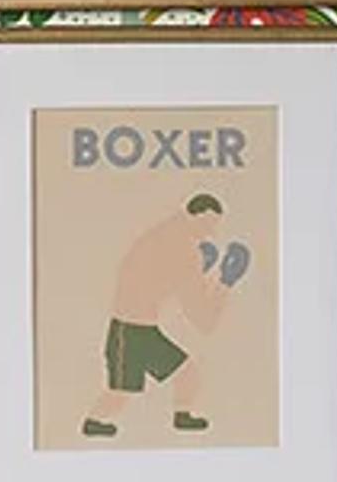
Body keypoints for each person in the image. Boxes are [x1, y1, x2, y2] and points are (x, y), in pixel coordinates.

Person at [85, 188, 248, 438]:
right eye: (208, 224)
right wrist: (225, 281)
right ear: (194, 216)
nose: (211, 232)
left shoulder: (166, 234)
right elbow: (204, 320)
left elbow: (157, 282)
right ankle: (92, 422)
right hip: (128, 333)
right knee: (121, 392)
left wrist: (201, 273)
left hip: (143, 328)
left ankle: (182, 417)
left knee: (187, 371)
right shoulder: (183, 249)